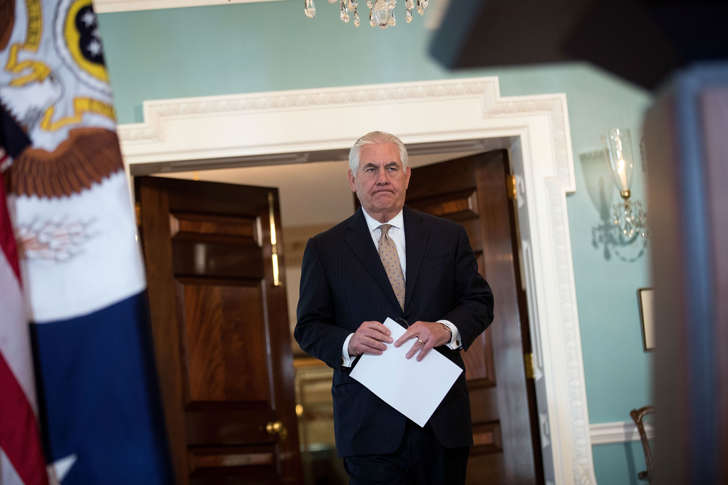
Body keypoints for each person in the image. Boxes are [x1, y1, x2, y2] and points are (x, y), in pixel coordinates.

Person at [294, 131, 494, 484]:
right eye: (371, 169)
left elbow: (479, 302)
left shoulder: (448, 236)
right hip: (368, 430)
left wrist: (444, 329)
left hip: (441, 423)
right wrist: (348, 342)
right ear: (353, 179)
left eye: (391, 167)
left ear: (407, 175)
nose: (382, 178)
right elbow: (309, 327)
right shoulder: (324, 249)